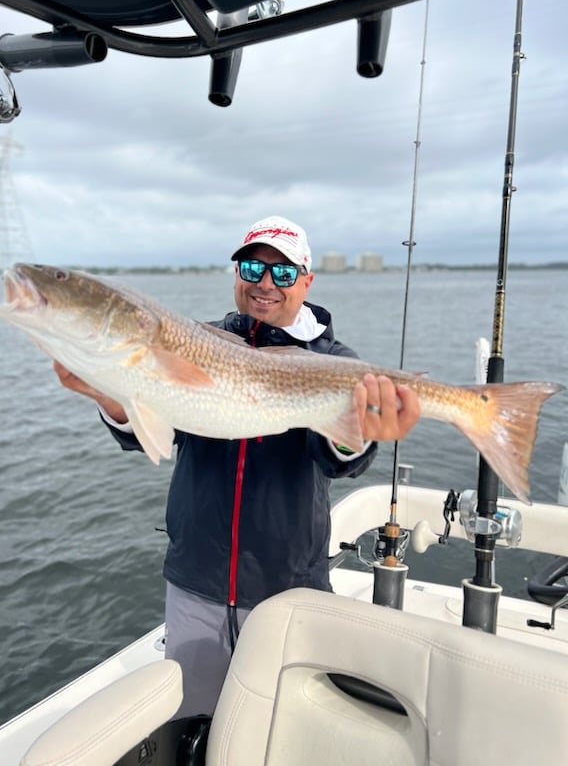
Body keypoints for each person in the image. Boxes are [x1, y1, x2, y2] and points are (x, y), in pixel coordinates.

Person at [53, 216, 420, 720]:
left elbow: (340, 461)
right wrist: (108, 396)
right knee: (195, 721)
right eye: (253, 267)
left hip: (286, 586)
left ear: (307, 282)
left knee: (280, 726)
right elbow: (156, 432)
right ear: (236, 273)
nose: (266, 284)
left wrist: (364, 433)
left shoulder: (333, 359)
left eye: (284, 273)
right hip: (195, 579)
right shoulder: (196, 344)